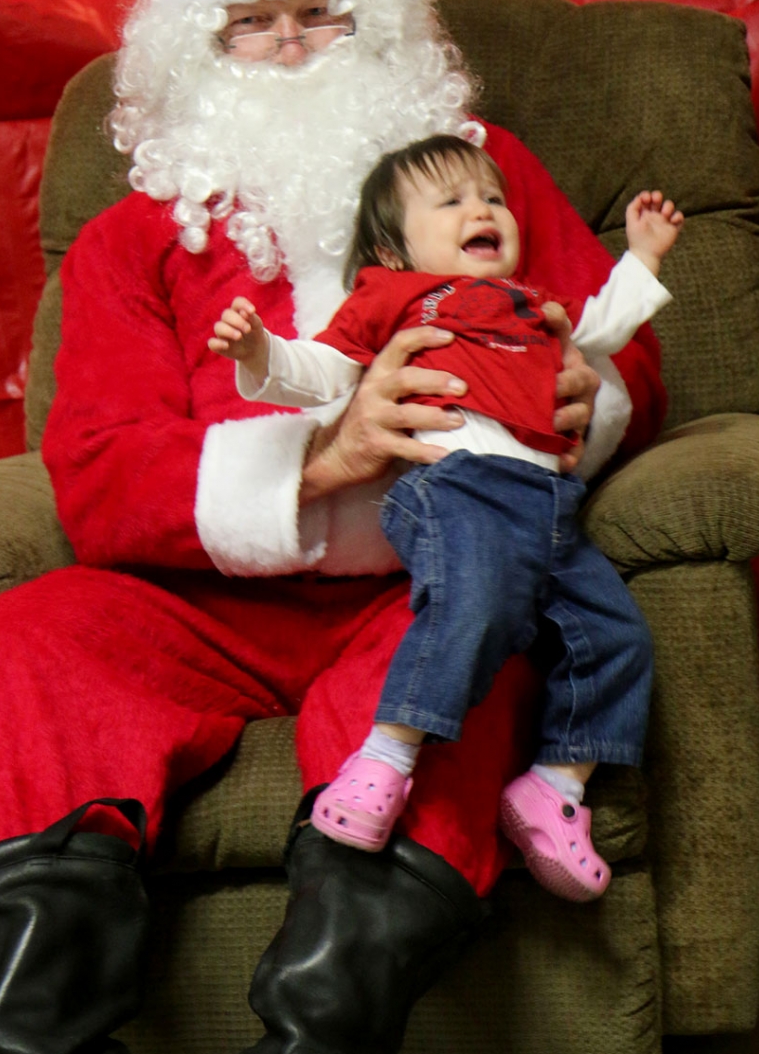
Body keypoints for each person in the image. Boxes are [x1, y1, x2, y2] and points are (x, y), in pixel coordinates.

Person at [0, 0, 667, 1054]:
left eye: (316, 17)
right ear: (192, 52)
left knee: (479, 643)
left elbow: (624, 361)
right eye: (248, 25)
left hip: (418, 578)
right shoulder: (130, 239)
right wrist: (319, 458)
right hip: (200, 601)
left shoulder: (477, 171)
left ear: (376, 22)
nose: (283, 49)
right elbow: (96, 469)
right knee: (25, 638)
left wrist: (578, 400)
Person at [210, 133, 682, 899]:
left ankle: (555, 785)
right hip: (458, 486)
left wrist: (644, 257)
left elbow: (601, 331)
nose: (483, 209)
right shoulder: (401, 296)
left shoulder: (531, 305)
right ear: (394, 252)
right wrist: (260, 351)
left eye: (492, 197)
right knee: (475, 604)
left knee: (618, 637)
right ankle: (383, 761)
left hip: (551, 503)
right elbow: (323, 369)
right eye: (453, 200)